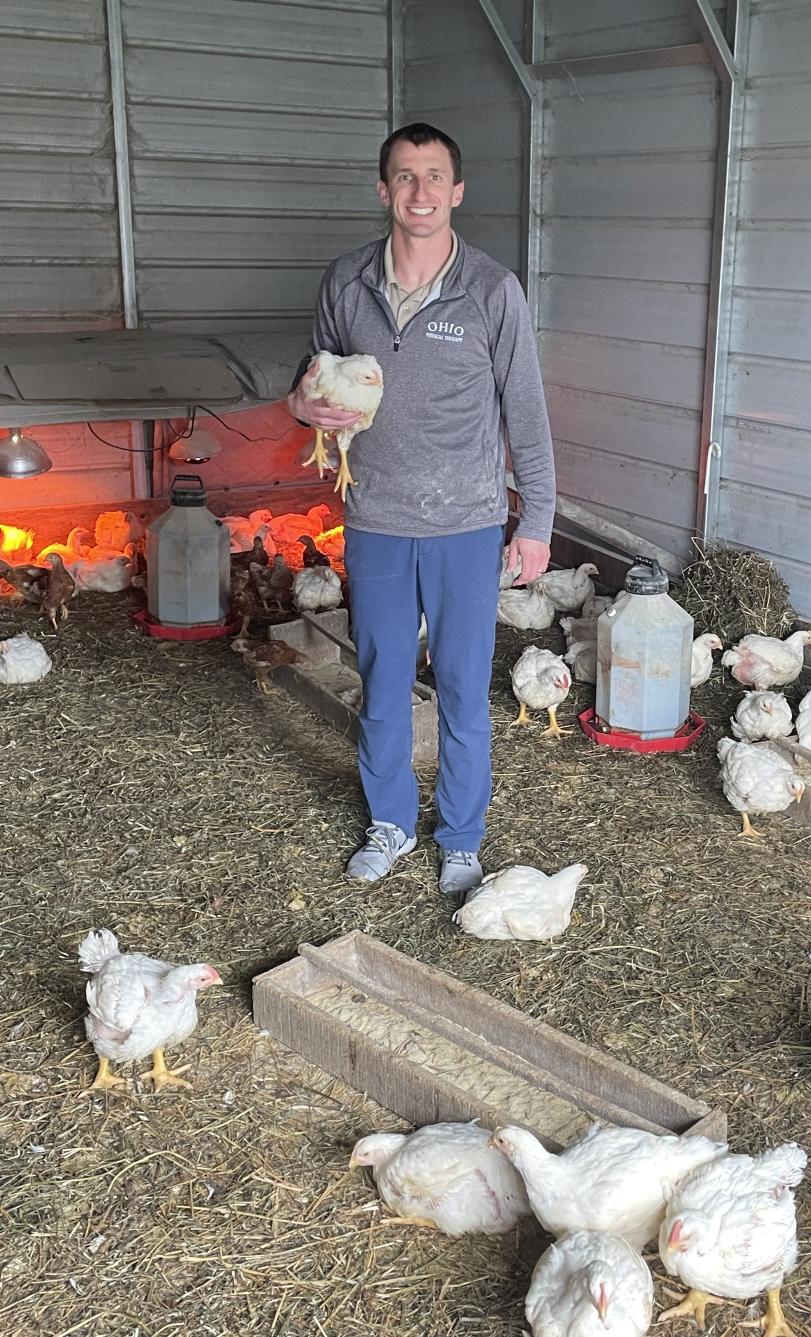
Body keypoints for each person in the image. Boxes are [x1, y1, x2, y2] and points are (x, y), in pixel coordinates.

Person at [287, 122, 556, 899]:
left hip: (466, 522)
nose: (420, 191)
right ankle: (392, 823)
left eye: (434, 176)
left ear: (457, 191)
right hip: (374, 517)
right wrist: (306, 406)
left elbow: (527, 413)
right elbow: (311, 388)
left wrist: (535, 519)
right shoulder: (345, 282)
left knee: (466, 684)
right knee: (383, 676)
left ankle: (462, 835)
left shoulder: (492, 290)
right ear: (383, 190)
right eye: (405, 176)